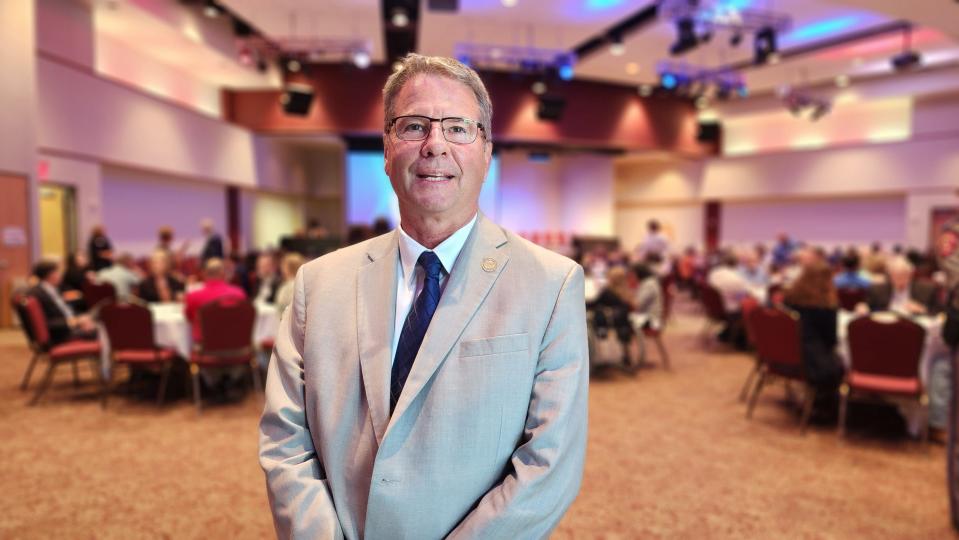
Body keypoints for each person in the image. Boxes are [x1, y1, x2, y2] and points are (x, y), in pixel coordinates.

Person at [259, 53, 588, 539]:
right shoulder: (317, 284)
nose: (435, 145)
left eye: (458, 127)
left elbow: (550, 464)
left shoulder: (551, 284)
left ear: (486, 150)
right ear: (387, 149)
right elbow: (287, 440)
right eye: (414, 126)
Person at [783, 260, 844, 412]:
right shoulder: (827, 306)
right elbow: (831, 340)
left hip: (787, 356)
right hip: (814, 364)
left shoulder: (789, 299)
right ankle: (829, 404)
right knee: (842, 361)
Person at [28, 260, 96, 345]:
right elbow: (44, 323)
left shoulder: (52, 289)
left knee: (100, 312)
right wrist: (76, 322)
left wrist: (82, 319)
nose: (61, 275)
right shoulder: (38, 294)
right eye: (58, 272)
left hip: (68, 326)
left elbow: (65, 310)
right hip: (61, 335)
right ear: (50, 275)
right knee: (105, 330)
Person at [184, 258, 246, 343]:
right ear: (223, 273)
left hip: (205, 347)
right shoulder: (239, 294)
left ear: (204, 274)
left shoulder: (193, 296)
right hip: (235, 345)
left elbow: (189, 318)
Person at [865, 256, 940, 315]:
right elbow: (869, 307)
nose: (900, 280)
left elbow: (938, 311)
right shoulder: (878, 290)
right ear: (890, 276)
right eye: (895, 276)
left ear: (910, 274)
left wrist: (922, 309)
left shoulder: (926, 290)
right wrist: (863, 307)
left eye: (903, 275)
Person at [273, 253, 304, 317]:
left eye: (283, 265)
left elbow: (285, 306)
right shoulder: (293, 283)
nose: (281, 268)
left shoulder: (292, 285)